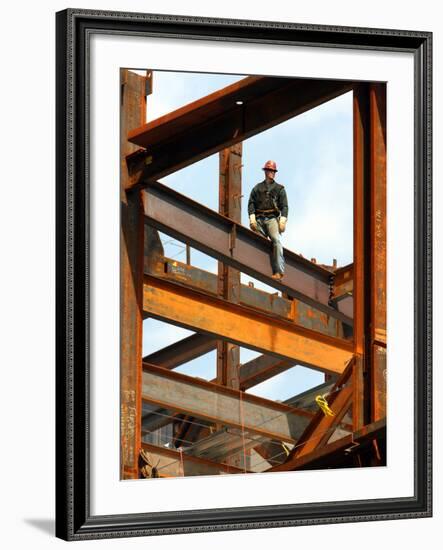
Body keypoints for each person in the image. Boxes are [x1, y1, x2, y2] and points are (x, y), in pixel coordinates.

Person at [248, 160, 288, 280]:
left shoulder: (279, 189)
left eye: (273, 171)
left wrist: (283, 220)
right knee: (259, 241)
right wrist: (252, 218)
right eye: (269, 170)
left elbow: (284, 206)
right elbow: (251, 203)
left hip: (271, 219)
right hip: (259, 220)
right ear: (265, 172)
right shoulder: (257, 188)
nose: (271, 173)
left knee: (276, 241)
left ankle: (279, 271)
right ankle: (259, 264)